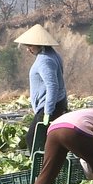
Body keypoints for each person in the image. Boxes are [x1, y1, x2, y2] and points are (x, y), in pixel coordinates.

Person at [15, 24, 67, 153]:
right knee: (48, 140)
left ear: (40, 45)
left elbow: (52, 85)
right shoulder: (52, 55)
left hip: (49, 106)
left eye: (30, 46)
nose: (28, 49)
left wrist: (48, 112)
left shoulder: (45, 60)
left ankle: (40, 170)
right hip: (56, 104)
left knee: (32, 139)